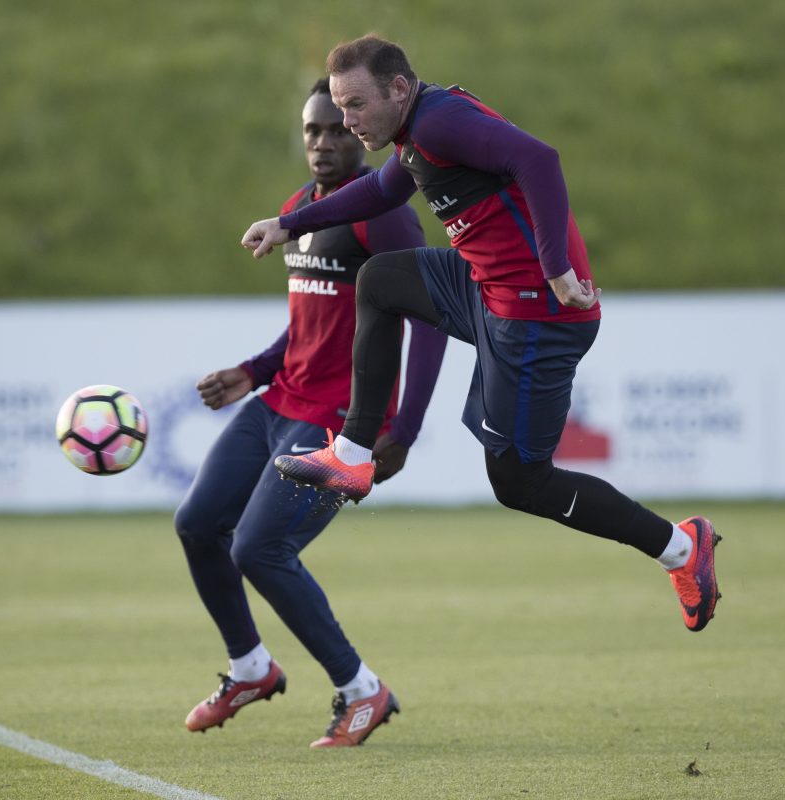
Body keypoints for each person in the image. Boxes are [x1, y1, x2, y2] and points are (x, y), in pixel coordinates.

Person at [242, 35, 721, 637]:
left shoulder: (439, 122)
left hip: (538, 317)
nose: (346, 122)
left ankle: (682, 548)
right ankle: (353, 456)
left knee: (521, 482)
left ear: (397, 88)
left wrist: (556, 269)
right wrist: (289, 224)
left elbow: (539, 160)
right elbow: (384, 190)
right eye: (340, 107)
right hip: (488, 292)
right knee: (383, 279)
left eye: (356, 105)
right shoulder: (416, 129)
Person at [176, 78, 447, 748]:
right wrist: (253, 372)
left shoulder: (380, 215)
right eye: (312, 131)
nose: (324, 142)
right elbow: (308, 324)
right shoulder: (298, 207)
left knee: (261, 549)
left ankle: (363, 692)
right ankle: (250, 668)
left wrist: (401, 428)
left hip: (340, 421)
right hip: (278, 404)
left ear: (359, 131)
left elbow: (432, 320)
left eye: (337, 128)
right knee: (197, 524)